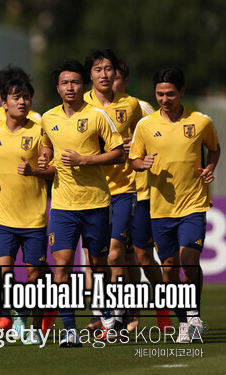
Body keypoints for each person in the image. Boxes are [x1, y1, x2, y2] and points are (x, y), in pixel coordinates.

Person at [130, 67, 220, 343]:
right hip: (160, 208)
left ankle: (193, 316)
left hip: (193, 204)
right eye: (159, 93)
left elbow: (214, 147)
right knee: (168, 267)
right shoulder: (145, 126)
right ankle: (184, 320)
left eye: (170, 93)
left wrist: (210, 166)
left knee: (190, 259)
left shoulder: (200, 121)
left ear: (181, 92)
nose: (164, 99)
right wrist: (141, 164)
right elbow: (134, 159)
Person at [39, 60, 125, 347]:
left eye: (75, 82)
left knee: (98, 264)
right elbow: (46, 143)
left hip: (96, 202)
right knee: (61, 266)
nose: (70, 87)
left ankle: (106, 313)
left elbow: (118, 153)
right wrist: (44, 155)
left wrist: (84, 160)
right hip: (62, 204)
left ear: (84, 86)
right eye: (65, 83)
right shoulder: (48, 117)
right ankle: (70, 328)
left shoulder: (98, 116)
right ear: (58, 88)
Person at [0, 78, 55, 344]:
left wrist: (37, 168)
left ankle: (36, 328)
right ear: (4, 103)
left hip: (34, 217)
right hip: (2, 217)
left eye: (26, 97)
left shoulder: (39, 132)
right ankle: (20, 310)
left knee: (35, 276)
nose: (22, 102)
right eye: (16, 97)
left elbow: (51, 168)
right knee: (3, 273)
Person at [82, 49, 143, 335]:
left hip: (124, 189)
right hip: (90, 192)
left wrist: (136, 148)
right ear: (90, 75)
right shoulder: (80, 105)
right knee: (97, 260)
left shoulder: (131, 105)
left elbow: (147, 135)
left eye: (108, 69)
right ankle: (110, 313)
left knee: (116, 256)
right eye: (98, 69)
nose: (104, 74)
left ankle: (120, 318)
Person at [113, 59, 171, 332]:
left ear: (124, 81)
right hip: (107, 193)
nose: (108, 81)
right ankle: (126, 313)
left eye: (115, 77)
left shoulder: (141, 107)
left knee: (142, 255)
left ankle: (162, 307)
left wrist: (135, 147)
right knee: (116, 257)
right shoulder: (90, 107)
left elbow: (156, 142)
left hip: (138, 191)